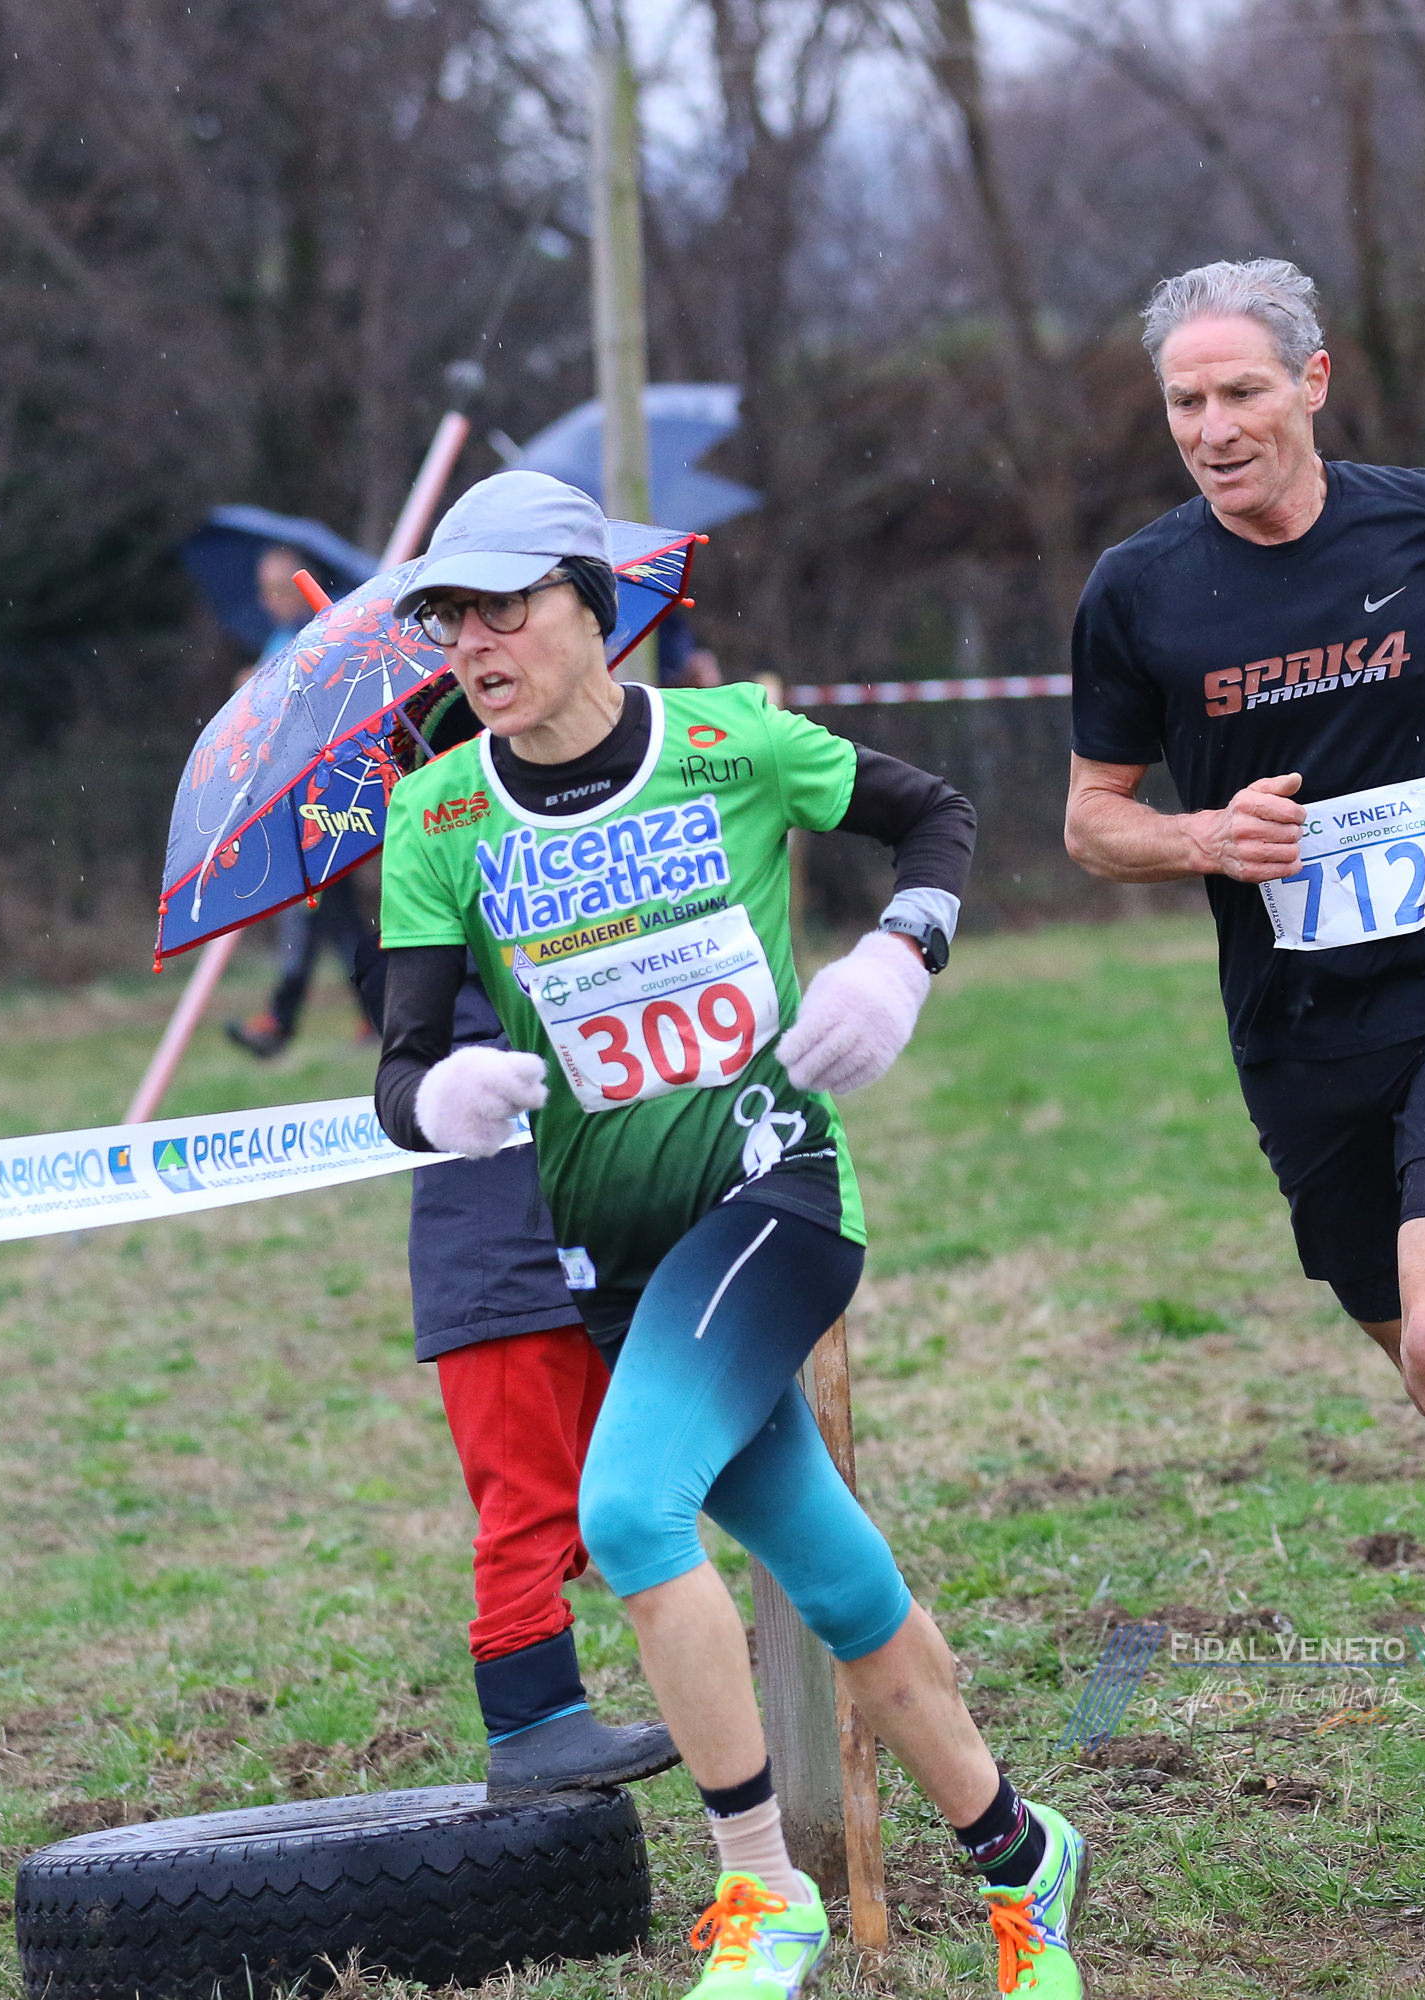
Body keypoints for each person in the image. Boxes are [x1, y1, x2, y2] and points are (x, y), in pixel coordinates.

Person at [372, 471, 1088, 1999]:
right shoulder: (435, 814)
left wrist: (898, 958)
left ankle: (762, 1889)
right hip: (617, 1267)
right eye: (449, 620)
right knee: (835, 1578)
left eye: (504, 608)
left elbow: (936, 816)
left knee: (631, 1516)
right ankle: (1025, 1858)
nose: (475, 644)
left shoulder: (729, 742)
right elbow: (399, 1065)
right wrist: (440, 1097)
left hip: (776, 1202)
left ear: (592, 607)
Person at [1061, 260, 1425, 1869]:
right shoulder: (1139, 590)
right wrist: (1201, 835)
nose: (1212, 428)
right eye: (1184, 402)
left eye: (1240, 392)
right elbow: (1091, 821)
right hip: (1299, 1040)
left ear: (1313, 382)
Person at [350, 923, 681, 1801]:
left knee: (595, 1494)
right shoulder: (424, 916)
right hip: (492, 1260)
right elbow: (415, 1052)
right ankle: (533, 1725)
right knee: (527, 1501)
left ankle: (567, 1697)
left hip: (585, 1235)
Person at [229, 546, 373, 1059]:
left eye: (277, 588)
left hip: (321, 795)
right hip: (292, 796)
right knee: (333, 916)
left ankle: (280, 1021)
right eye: (263, 590)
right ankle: (375, 1010)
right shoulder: (278, 638)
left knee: (311, 909)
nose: (268, 600)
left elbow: (313, 707)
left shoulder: (321, 635)